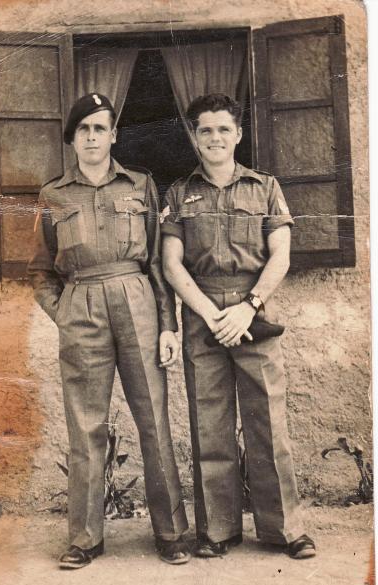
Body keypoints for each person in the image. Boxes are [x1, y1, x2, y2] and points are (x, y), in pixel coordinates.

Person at [28, 93, 189, 569]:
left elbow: (158, 262)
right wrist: (67, 314)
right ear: (73, 139)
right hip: (82, 306)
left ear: (114, 135)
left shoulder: (141, 184)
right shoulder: (53, 194)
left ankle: (171, 532)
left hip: (137, 298)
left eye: (101, 128)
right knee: (85, 427)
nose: (93, 137)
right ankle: (84, 538)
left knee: (154, 421)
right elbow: (40, 271)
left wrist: (167, 324)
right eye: (85, 130)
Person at [161, 93, 315, 560]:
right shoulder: (177, 193)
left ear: (238, 135)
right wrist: (210, 314)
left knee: (268, 421)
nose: (214, 138)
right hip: (202, 316)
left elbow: (281, 255)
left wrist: (248, 306)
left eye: (223, 129)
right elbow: (171, 265)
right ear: (194, 136)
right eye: (205, 130)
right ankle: (218, 531)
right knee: (210, 424)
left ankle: (284, 530)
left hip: (255, 315)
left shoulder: (265, 187)